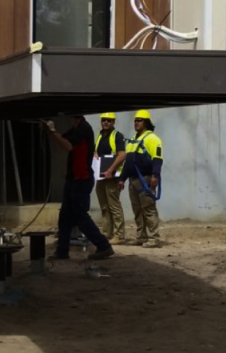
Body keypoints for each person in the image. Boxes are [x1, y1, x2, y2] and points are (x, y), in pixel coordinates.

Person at [44, 114, 115, 260]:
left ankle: (103, 245)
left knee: (80, 216)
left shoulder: (84, 129)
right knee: (65, 217)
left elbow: (68, 146)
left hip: (81, 179)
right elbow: (63, 139)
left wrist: (52, 132)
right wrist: (51, 132)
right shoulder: (75, 129)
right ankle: (62, 250)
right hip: (73, 178)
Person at [121, 109, 163, 248]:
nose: (136, 123)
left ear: (146, 122)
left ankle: (153, 238)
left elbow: (157, 159)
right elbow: (128, 162)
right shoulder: (133, 139)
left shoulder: (152, 138)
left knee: (148, 209)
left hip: (145, 179)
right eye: (135, 120)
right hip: (133, 181)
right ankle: (141, 236)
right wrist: (122, 179)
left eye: (139, 120)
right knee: (137, 210)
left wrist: (155, 176)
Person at [94, 112, 128, 244]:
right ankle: (107, 233)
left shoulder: (117, 136)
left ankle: (119, 235)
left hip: (112, 176)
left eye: (109, 120)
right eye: (104, 120)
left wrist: (110, 170)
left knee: (114, 206)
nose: (106, 122)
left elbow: (122, 155)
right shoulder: (100, 136)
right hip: (101, 176)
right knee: (104, 206)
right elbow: (99, 152)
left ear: (113, 122)